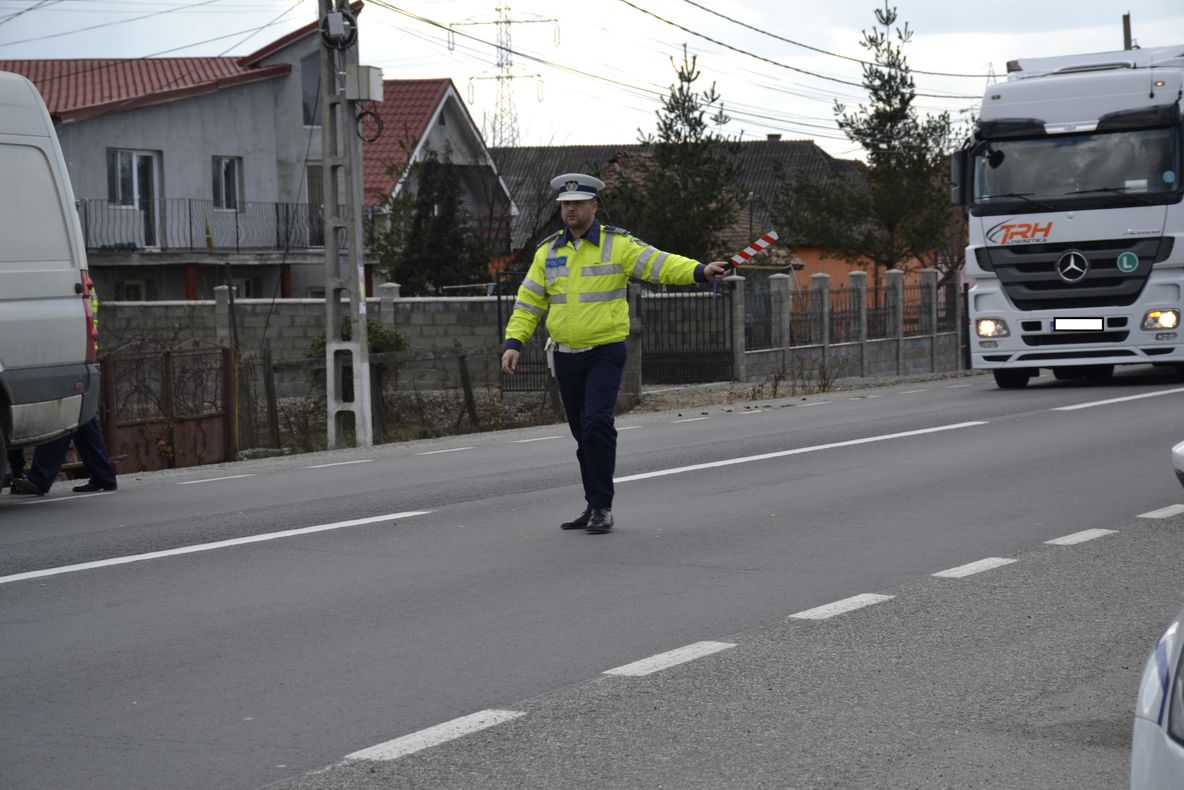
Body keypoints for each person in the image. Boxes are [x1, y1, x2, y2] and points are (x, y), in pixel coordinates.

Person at [501, 172, 730, 535]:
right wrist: (514, 342)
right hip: (564, 354)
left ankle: (603, 507)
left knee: (597, 424)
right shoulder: (548, 252)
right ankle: (593, 504)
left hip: (606, 350)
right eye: (565, 204)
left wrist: (700, 271)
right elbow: (529, 301)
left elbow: (659, 264)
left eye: (577, 203)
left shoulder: (617, 244)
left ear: (593, 206)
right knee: (582, 433)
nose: (570, 209)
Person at [10, 274, 118, 497]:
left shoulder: (63, 278)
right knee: (82, 418)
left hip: (67, 349)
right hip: (77, 346)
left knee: (61, 413)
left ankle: (40, 479)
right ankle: (103, 476)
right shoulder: (74, 277)